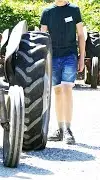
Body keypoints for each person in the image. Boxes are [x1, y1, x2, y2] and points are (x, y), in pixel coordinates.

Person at [40, 0, 85, 144]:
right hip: (53, 57)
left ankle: (68, 129)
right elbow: (42, 37)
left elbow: (80, 35)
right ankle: (59, 129)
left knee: (67, 89)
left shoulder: (74, 10)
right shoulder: (47, 12)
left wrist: (82, 58)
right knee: (58, 91)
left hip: (69, 56)